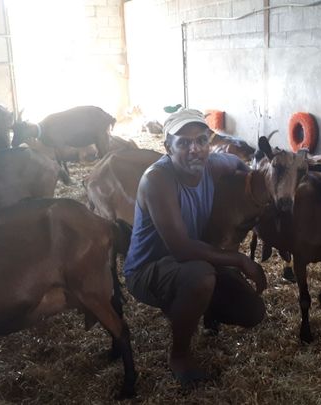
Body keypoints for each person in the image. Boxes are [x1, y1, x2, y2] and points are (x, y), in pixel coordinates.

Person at [123, 108, 267, 387]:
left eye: (201, 140)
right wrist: (239, 260)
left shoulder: (214, 165)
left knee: (252, 312)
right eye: (183, 142)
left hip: (194, 261)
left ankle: (196, 306)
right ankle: (179, 355)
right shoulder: (157, 180)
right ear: (167, 147)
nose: (195, 149)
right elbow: (180, 249)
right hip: (148, 268)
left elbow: (242, 169)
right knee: (200, 276)